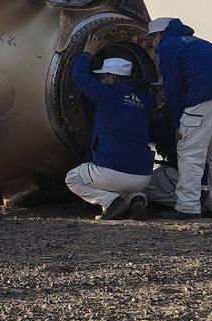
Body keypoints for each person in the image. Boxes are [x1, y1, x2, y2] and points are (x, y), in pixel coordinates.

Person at [147, 17, 212, 219]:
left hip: (205, 98)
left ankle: (188, 206)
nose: (151, 44)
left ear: (158, 35)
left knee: (191, 152)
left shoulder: (168, 45)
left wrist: (176, 122)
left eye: (151, 38)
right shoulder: (197, 43)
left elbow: (172, 87)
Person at [64, 46, 155, 220]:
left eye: (102, 77)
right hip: (143, 176)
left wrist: (86, 55)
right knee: (123, 184)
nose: (100, 81)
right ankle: (136, 198)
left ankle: (111, 201)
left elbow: (80, 77)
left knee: (72, 178)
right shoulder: (145, 101)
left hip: (111, 171)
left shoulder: (107, 94)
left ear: (113, 78)